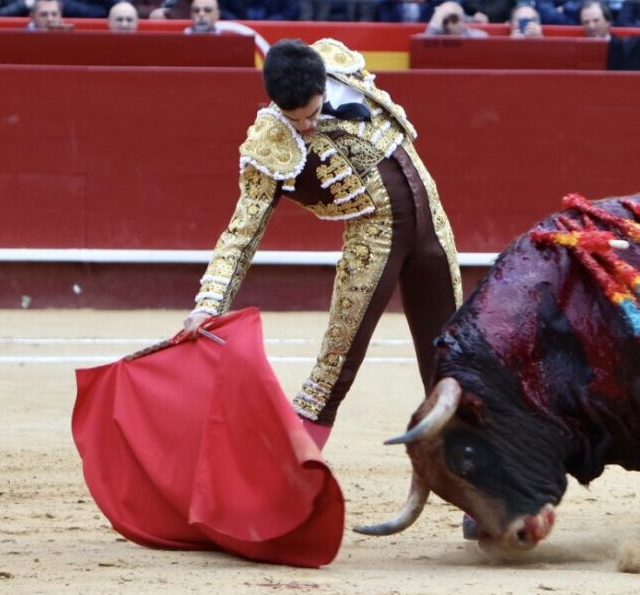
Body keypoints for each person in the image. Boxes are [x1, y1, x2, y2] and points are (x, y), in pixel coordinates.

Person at [183, 38, 462, 449]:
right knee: (332, 372)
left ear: (323, 85)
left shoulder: (339, 62)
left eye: (312, 113)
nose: (307, 126)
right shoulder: (270, 142)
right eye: (296, 120)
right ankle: (287, 485)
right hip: (375, 240)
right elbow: (241, 233)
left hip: (433, 224)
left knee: (455, 359)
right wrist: (209, 304)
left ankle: (480, 483)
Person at [425, 0, 490, 33]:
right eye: (446, 21)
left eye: (454, 19)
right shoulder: (431, 34)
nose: (450, 25)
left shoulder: (477, 36)